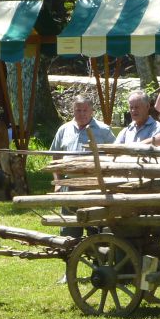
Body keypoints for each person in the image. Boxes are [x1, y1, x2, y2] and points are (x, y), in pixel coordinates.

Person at [50, 96, 115, 238]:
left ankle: (98, 255)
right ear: (73, 110)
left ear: (91, 110)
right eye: (78, 110)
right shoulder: (64, 130)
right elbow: (55, 157)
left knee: (96, 225)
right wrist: (57, 182)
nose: (82, 114)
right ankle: (70, 255)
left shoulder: (103, 130)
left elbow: (115, 156)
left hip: (94, 185)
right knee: (70, 227)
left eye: (85, 110)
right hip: (69, 184)